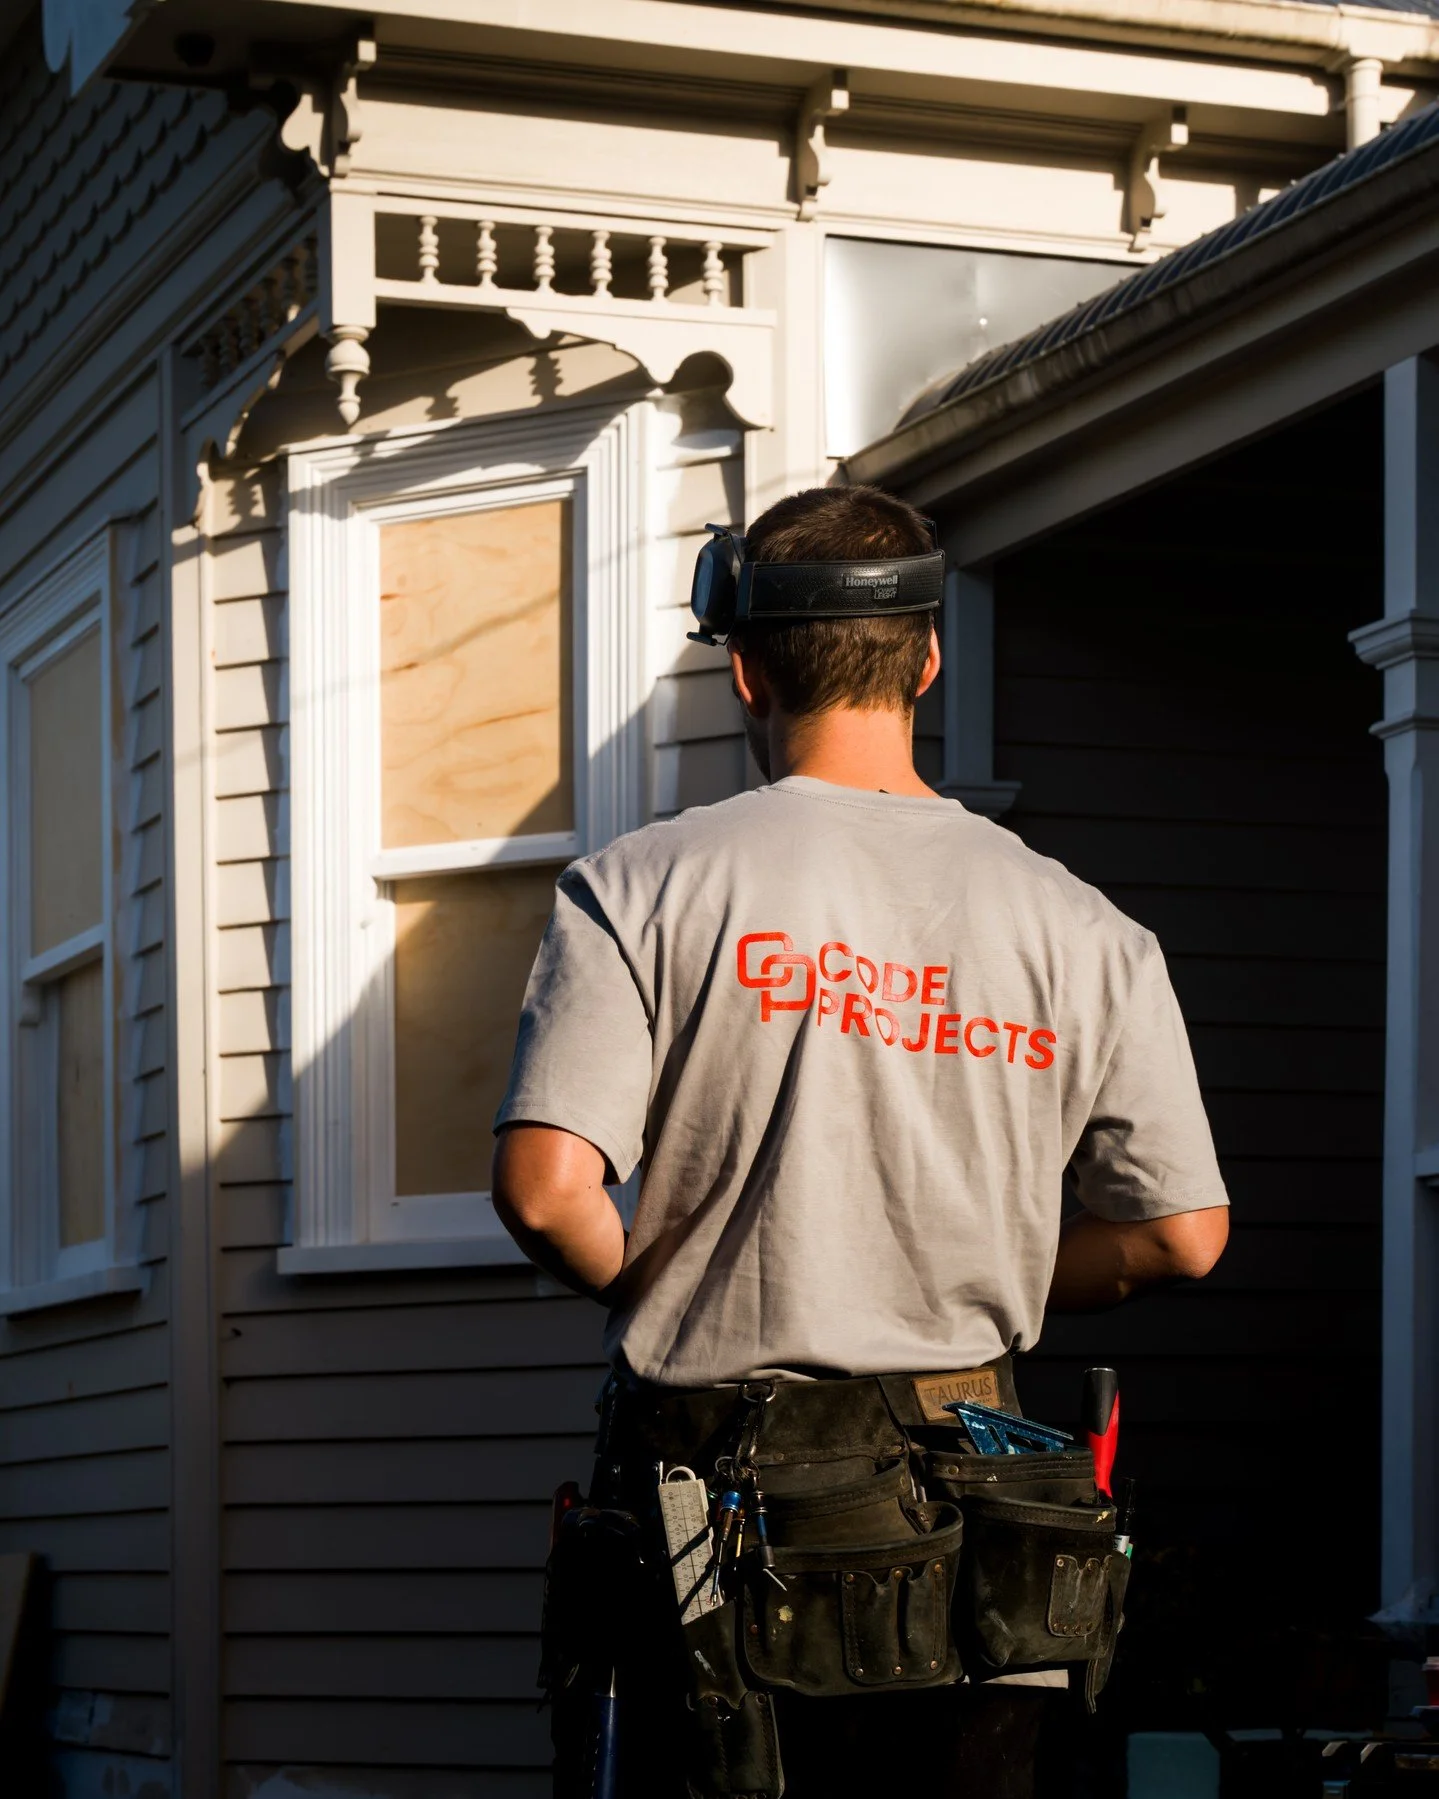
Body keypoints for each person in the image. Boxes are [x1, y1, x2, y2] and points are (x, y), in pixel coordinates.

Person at [491, 484, 1229, 1799]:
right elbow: (1180, 1232)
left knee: (700, 1759)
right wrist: (988, 1255)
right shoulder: (1087, 929)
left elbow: (550, 1194)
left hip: (704, 1487)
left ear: (744, 668)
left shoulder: (643, 883)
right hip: (978, 1503)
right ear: (925, 658)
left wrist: (675, 1268)